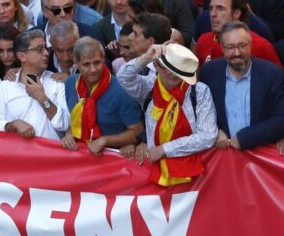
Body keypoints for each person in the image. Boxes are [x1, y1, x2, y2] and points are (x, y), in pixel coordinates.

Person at [117, 44, 218, 186]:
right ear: (156, 66)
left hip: (194, 174)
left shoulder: (200, 91)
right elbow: (123, 77)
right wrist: (146, 57)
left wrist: (164, 149)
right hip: (155, 172)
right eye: (167, 68)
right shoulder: (148, 87)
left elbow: (208, 136)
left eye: (177, 70)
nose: (172, 73)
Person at [198, 22, 284, 150]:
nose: (236, 53)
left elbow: (281, 118)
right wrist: (215, 131)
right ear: (222, 47)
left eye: (242, 46)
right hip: (223, 157)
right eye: (230, 47)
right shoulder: (209, 72)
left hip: (260, 155)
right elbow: (198, 112)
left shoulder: (272, 74)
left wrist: (245, 138)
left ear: (250, 45)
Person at [60, 37, 145, 153]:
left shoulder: (121, 90)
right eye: (86, 64)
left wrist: (105, 140)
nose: (93, 69)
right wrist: (70, 133)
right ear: (76, 63)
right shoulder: (70, 84)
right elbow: (76, 117)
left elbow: (138, 132)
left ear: (103, 59)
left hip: (113, 160)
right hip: (81, 156)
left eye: (97, 62)